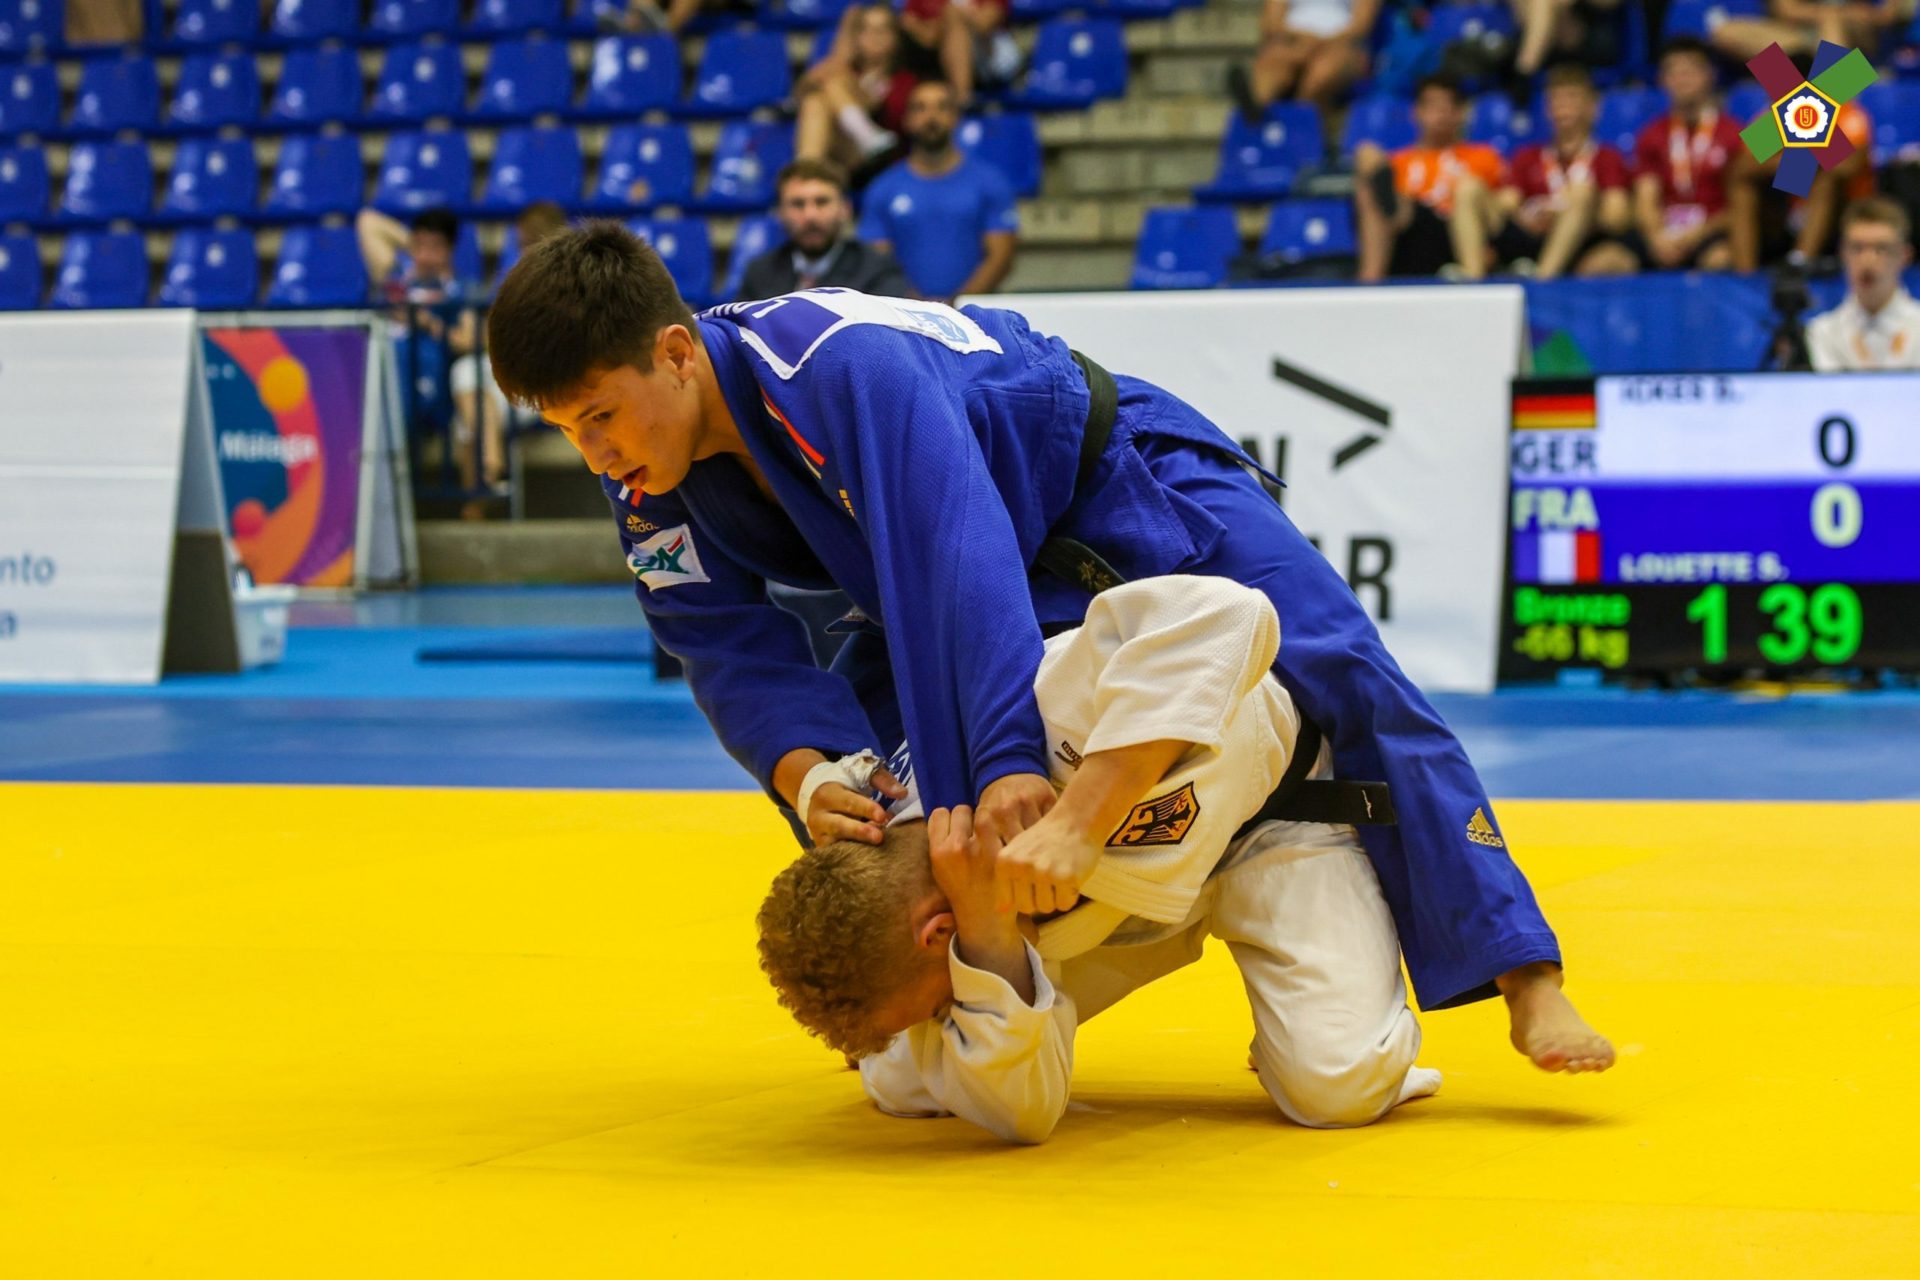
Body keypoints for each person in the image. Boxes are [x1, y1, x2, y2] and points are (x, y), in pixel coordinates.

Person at [484, 224, 1611, 1073]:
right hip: (955, 573)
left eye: (599, 416)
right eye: (568, 431)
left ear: (676, 354)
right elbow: (719, 640)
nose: (596, 456)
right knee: (886, 794)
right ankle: (1013, 966)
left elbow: (951, 562)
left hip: (1114, 476)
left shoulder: (838, 365)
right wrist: (809, 771)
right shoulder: (648, 482)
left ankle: (1524, 971)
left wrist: (1009, 766)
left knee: (1340, 662)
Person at [758, 576, 1493, 1144]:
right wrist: (988, 934)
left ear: (934, 932)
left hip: (1268, 829)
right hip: (1126, 907)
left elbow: (1231, 611)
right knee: (911, 1082)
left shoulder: (1041, 717)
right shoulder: (910, 867)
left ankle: (1314, 1004)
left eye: (936, 1002)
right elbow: (1026, 1117)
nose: (945, 1013)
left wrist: (1080, 821)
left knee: (1339, 1084)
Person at [1452, 64, 1636, 280]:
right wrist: (1528, 213)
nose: (1563, 107)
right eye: (1556, 100)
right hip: (1528, 237)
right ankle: (1472, 280)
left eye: (1571, 98)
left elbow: (1617, 216)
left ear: (1592, 107)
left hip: (1579, 242)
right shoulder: (1528, 157)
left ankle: (1544, 281)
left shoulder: (1606, 158)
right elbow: (1508, 202)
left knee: (1582, 192)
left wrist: (1570, 211)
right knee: (1469, 188)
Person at [445, 201, 571, 515]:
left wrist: (481, 339)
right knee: (467, 377)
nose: (522, 252)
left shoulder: (567, 286)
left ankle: (478, 498)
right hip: (502, 378)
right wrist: (471, 334)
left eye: (528, 244)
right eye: (521, 244)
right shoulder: (515, 279)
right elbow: (493, 331)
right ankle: (490, 464)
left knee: (468, 408)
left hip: (540, 385)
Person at [356, 206, 486, 484]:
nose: (425, 256)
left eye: (435, 247)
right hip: (384, 368)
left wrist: (428, 324)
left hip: (428, 380)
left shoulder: (461, 289)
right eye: (419, 246)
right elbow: (368, 221)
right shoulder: (397, 279)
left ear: (450, 249)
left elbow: (469, 341)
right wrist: (415, 246)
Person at [856, 80, 1019, 301]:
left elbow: (1001, 258)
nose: (931, 117)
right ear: (907, 120)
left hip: (973, 314)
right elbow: (877, 262)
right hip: (903, 313)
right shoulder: (882, 188)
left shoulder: (991, 182)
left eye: (942, 107)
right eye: (920, 108)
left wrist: (957, 306)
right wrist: (919, 310)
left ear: (956, 117)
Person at [1352, 74, 1506, 282]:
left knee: (1465, 192)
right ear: (1417, 112)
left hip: (1454, 231)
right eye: (1433, 106)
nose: (1441, 114)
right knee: (1367, 157)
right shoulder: (1399, 162)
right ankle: (1370, 280)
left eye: (1449, 107)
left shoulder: (1484, 157)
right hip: (1409, 233)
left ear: (1461, 113)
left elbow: (1501, 205)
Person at [1628, 38, 1746, 273]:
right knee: (1606, 262)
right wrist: (1656, 236)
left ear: (1710, 75)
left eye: (1690, 71)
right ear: (1662, 80)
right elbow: (1645, 198)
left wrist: (1698, 233)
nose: (1682, 79)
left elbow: (1740, 204)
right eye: (1673, 72)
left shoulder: (1736, 134)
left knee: (1720, 259)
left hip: (1712, 233)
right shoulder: (1651, 135)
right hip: (1663, 234)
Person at [737, 161, 918, 300]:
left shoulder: (877, 271)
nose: (810, 215)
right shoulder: (760, 272)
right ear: (780, 213)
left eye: (822, 202)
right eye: (798, 204)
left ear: (845, 209)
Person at [795, 4, 919, 168]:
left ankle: (806, 172)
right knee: (815, 101)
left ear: (896, 37)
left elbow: (902, 124)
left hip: (889, 154)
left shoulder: (905, 80)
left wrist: (869, 98)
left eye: (882, 30)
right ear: (856, 37)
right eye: (866, 30)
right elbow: (802, 91)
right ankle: (807, 170)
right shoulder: (846, 71)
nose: (874, 36)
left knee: (833, 85)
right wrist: (841, 56)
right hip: (844, 152)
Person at [1806, 197, 1920, 371]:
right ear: (1842, 253)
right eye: (1857, 248)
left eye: (1881, 248)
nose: (1867, 261)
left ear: (1905, 256)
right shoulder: (1821, 332)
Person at [1226, 0, 1378, 122]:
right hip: (1293, 41)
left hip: (1342, 45)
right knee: (1274, 62)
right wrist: (1303, 41)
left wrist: (1319, 43)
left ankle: (1295, 120)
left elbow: (1361, 24)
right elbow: (1271, 22)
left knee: (1322, 72)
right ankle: (1257, 105)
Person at [896, 0, 1016, 109]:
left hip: (992, 53)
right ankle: (962, 100)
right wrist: (954, 19)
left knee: (956, 27)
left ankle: (962, 100)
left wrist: (953, 18)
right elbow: (912, 25)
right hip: (937, 54)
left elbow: (985, 24)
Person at [1709, 0, 1905, 61]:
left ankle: (1830, 98)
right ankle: (1829, 90)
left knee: (1832, 23)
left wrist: (1841, 16)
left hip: (1856, 39)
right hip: (1799, 37)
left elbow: (1886, 15)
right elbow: (1787, 10)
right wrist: (1827, 13)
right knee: (1725, 31)